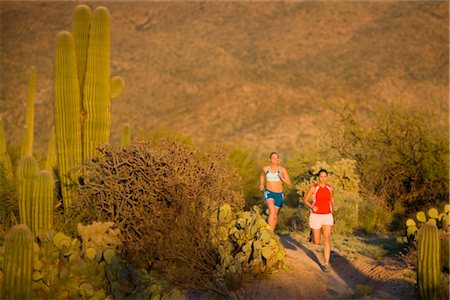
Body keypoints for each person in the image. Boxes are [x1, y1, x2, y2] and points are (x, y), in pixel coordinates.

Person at [301, 169, 337, 272]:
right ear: (318, 177)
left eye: (325, 176)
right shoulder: (314, 188)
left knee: (327, 238)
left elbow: (332, 198)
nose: (323, 178)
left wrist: (334, 205)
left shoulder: (330, 188)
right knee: (317, 241)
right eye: (321, 176)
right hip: (316, 215)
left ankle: (326, 263)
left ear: (327, 177)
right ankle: (312, 235)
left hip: (327, 215)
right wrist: (312, 207)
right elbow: (305, 200)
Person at [260, 152, 291, 231]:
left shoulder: (282, 170)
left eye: (276, 158)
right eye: (273, 158)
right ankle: (268, 232)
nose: (275, 159)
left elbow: (289, 183)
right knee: (272, 212)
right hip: (269, 193)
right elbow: (262, 176)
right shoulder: (265, 169)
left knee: (275, 216)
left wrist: (282, 178)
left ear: (279, 160)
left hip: (279, 195)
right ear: (270, 159)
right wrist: (261, 184)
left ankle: (271, 234)